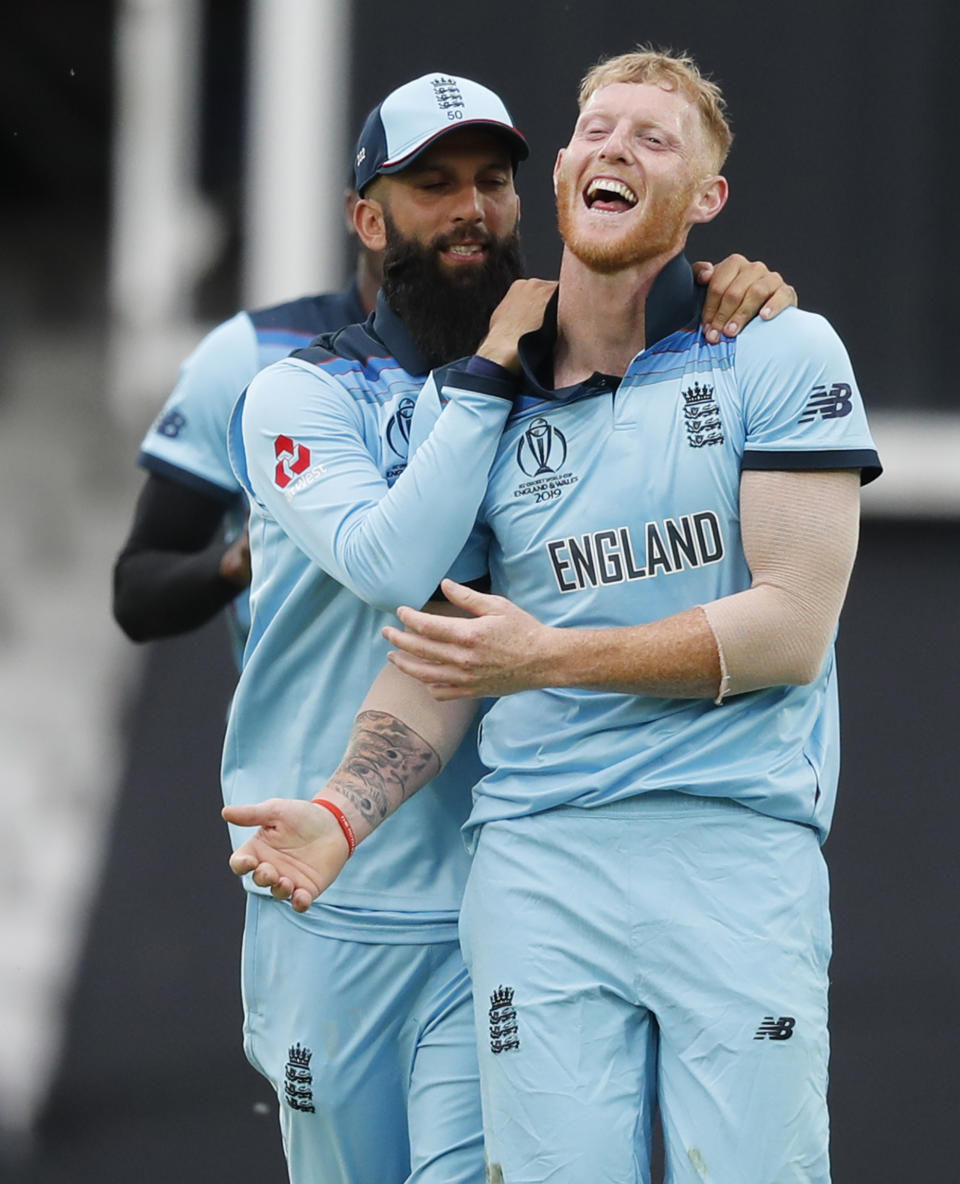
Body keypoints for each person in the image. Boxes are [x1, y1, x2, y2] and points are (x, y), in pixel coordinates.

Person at [226, 50, 881, 1183]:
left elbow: (790, 631)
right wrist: (341, 808)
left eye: (654, 138)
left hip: (733, 844)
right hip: (536, 864)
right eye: (596, 129)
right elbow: (449, 648)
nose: (616, 148)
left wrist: (547, 657)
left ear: (706, 199)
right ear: (571, 167)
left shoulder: (777, 347)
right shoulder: (472, 403)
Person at [111, 190, 383, 663]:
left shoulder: (526, 351)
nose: (469, 208)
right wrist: (238, 562)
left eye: (493, 181)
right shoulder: (250, 352)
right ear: (365, 217)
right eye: (433, 185)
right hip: (296, 733)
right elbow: (137, 594)